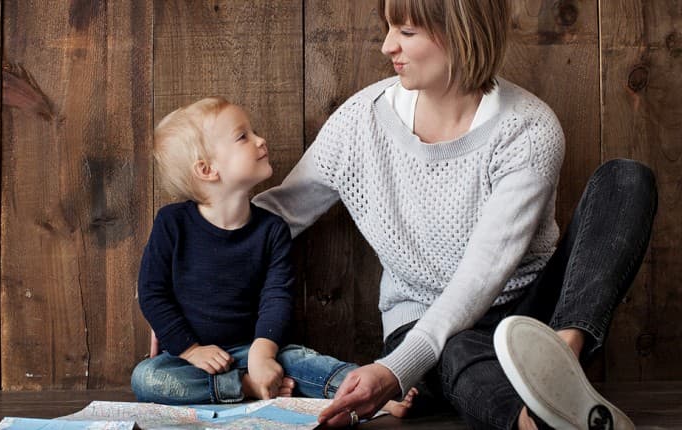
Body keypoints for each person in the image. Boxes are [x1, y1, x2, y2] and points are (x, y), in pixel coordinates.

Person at [252, 0, 657, 429]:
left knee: (626, 180)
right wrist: (178, 249)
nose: (388, 46)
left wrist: (391, 372)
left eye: (407, 32)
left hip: (531, 315)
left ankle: (560, 364)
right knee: (458, 347)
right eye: (389, 28)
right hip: (423, 324)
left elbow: (481, 275)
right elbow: (277, 215)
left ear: (462, 34)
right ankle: (536, 420)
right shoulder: (360, 123)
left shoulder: (528, 129)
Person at [131, 97, 416, 416]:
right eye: (243, 136)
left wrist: (263, 354)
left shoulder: (271, 230)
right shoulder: (173, 224)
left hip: (255, 347)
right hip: (192, 359)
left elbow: (276, 297)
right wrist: (191, 349)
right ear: (207, 169)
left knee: (304, 362)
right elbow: (153, 293)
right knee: (147, 379)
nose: (260, 140)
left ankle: (373, 394)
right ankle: (244, 387)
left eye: (253, 132)